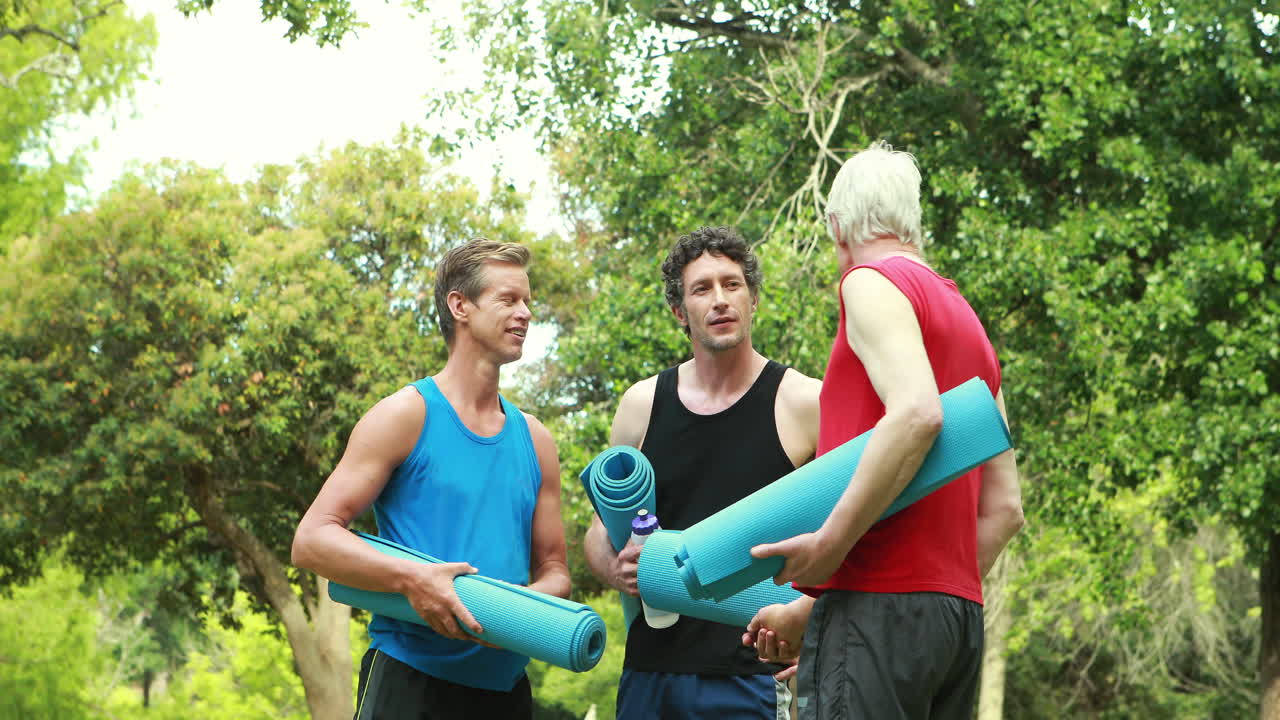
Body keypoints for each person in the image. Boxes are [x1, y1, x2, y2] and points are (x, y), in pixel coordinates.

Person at [744, 141, 1026, 719]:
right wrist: (819, 614)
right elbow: (1006, 510)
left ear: (838, 225)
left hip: (875, 609)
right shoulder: (971, 326)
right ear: (910, 219)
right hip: (956, 623)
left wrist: (827, 550)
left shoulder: (869, 281)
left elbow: (917, 413)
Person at [291, 238, 569, 720]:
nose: (525, 313)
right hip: (409, 679)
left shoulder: (537, 440)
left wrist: (506, 612)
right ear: (459, 305)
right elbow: (312, 540)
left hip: (506, 689)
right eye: (508, 299)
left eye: (528, 301)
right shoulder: (404, 416)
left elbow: (556, 571)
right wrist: (414, 579)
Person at [584, 226, 821, 720]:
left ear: (753, 298)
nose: (720, 300)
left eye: (732, 284)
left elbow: (850, 531)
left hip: (753, 674)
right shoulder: (641, 404)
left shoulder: (803, 402)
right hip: (651, 672)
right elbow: (595, 534)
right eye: (701, 288)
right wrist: (615, 567)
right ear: (679, 312)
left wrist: (814, 625)